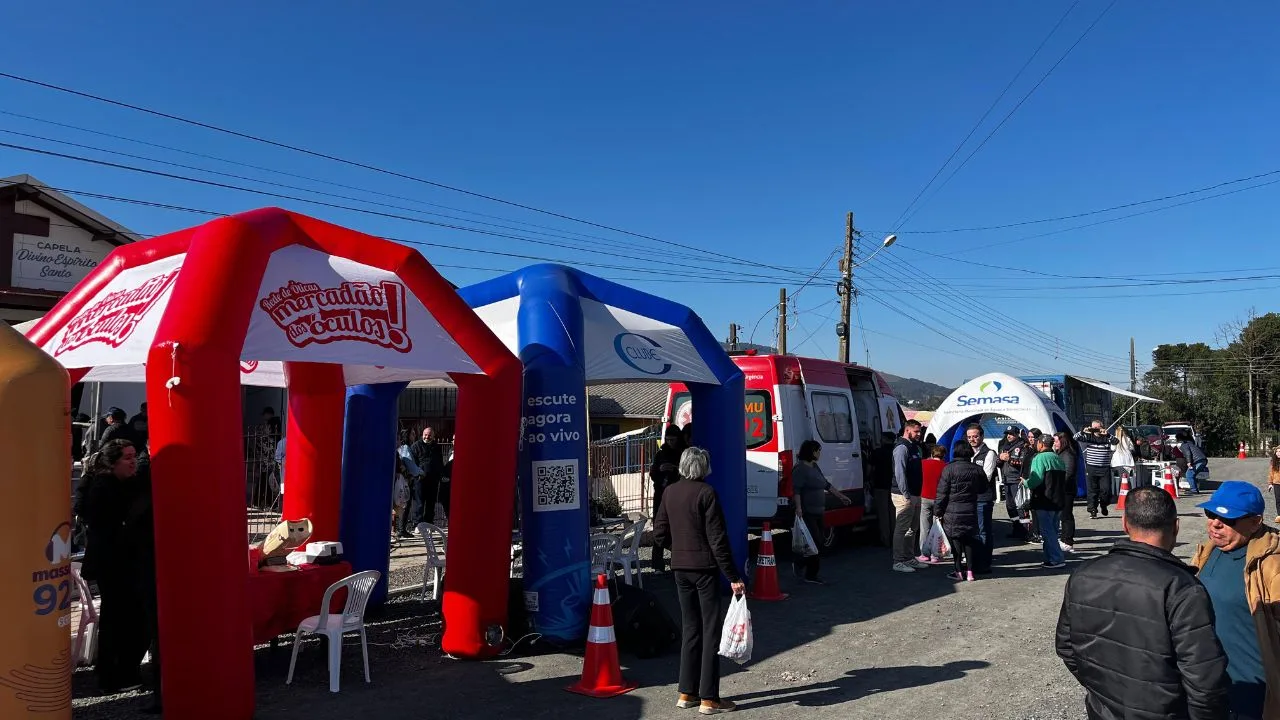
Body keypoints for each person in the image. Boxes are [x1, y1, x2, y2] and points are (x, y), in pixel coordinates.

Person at [1056, 486, 1229, 719]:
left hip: (1102, 709)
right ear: (1176, 526)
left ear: (1124, 524)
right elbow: (1204, 679)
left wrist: (1101, 691)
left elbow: (1066, 646)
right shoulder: (1182, 587)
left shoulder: (1083, 574)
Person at [651, 447, 745, 715]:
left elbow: (659, 534)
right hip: (704, 569)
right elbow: (717, 539)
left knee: (690, 629)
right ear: (704, 467)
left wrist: (678, 549)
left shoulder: (669, 492)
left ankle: (686, 692)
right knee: (710, 631)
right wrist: (733, 576)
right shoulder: (707, 493)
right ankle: (709, 698)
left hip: (680, 568)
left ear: (682, 465)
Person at [1190, 482, 1280, 719]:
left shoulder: (1273, 563)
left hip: (1254, 693)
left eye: (1227, 518)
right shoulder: (1208, 551)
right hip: (1209, 687)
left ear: (1255, 522)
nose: (1215, 524)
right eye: (1211, 514)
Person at [75, 440, 156, 694]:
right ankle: (116, 675)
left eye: (134, 456)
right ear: (112, 463)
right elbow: (110, 528)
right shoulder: (103, 488)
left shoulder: (124, 484)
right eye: (127, 458)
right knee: (121, 620)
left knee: (125, 618)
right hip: (115, 565)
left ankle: (120, 671)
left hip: (123, 563)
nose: (133, 462)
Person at [791, 440, 852, 584]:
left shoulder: (814, 467)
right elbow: (797, 490)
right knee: (816, 542)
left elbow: (826, 484)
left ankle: (802, 564)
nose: (819, 453)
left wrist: (841, 496)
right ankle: (809, 572)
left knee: (818, 542)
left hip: (819, 511)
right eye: (817, 451)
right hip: (808, 511)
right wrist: (798, 508)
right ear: (811, 452)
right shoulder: (800, 469)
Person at [934, 443, 987, 582]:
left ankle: (958, 572)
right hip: (970, 509)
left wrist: (938, 510)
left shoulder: (948, 469)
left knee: (956, 541)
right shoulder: (977, 469)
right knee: (969, 541)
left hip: (952, 511)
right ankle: (970, 572)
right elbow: (983, 488)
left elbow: (942, 493)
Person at [1024, 434, 1068, 569]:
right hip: (1058, 499)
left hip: (1044, 499)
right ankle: (1049, 558)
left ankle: (1056, 559)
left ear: (1041, 444)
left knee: (1047, 532)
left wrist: (1026, 483)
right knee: (1053, 530)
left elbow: (1035, 480)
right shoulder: (1057, 458)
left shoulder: (1039, 458)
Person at [649, 425, 686, 572]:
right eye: (668, 440)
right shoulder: (661, 454)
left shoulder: (683, 453)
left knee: (677, 529)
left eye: (673, 440)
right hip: (660, 494)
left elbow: (686, 473)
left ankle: (677, 562)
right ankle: (657, 564)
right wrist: (660, 470)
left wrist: (675, 469)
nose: (670, 443)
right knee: (659, 528)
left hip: (677, 495)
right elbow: (653, 474)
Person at [891, 420, 926, 573]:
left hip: (915, 494)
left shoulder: (914, 447)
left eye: (920, 431)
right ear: (907, 430)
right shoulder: (901, 448)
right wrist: (906, 494)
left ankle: (909, 557)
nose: (919, 434)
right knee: (902, 528)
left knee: (912, 528)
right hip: (904, 495)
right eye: (916, 431)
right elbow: (899, 473)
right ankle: (898, 561)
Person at [965, 424, 997, 574]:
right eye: (969, 437)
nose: (972, 439)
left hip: (983, 498)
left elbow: (986, 477)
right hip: (969, 498)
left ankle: (984, 563)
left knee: (983, 531)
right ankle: (974, 561)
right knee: (972, 531)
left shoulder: (989, 453)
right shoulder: (966, 453)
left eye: (975, 436)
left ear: (982, 436)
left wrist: (966, 482)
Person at [1076, 421, 1119, 519]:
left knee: (1106, 490)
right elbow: (1075, 437)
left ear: (1102, 427)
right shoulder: (1088, 437)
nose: (1095, 430)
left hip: (1104, 468)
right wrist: (1083, 431)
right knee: (1092, 490)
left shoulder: (1107, 437)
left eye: (1097, 428)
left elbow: (1116, 441)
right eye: (1093, 428)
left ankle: (1104, 505)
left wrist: (1107, 434)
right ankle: (1092, 510)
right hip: (1091, 467)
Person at [997, 426, 1031, 540]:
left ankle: (1026, 532)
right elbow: (998, 463)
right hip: (1006, 479)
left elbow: (1023, 463)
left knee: (1020, 506)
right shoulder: (1004, 446)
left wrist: (1009, 459)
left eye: (1011, 434)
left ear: (1017, 434)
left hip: (1017, 479)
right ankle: (1016, 529)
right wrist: (1000, 459)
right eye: (1007, 434)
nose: (1009, 436)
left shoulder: (1023, 446)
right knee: (1010, 506)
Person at [917, 444, 948, 565]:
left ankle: (924, 553)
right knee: (938, 527)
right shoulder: (945, 466)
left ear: (932, 454)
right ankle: (936, 554)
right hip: (939, 499)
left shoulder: (923, 463)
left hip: (924, 496)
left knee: (925, 526)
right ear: (943, 455)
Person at [410, 427, 445, 527]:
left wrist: (440, 475)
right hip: (420, 479)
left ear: (433, 436)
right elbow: (412, 463)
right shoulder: (416, 446)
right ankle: (418, 524)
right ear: (422, 434)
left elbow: (440, 462)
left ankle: (429, 523)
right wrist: (416, 474)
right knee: (419, 502)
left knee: (431, 502)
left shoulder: (437, 447)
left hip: (433, 480)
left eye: (429, 435)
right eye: (425, 434)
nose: (427, 437)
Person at [1054, 431, 1079, 553]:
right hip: (1062, 488)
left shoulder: (1068, 454)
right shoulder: (1060, 453)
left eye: (1056, 441)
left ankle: (1068, 541)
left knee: (1066, 515)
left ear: (1062, 441)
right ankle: (1064, 538)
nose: (1054, 443)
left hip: (1067, 489)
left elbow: (1069, 472)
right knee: (1063, 515)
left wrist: (1059, 484)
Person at [395, 429, 423, 538]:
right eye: (412, 434)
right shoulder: (406, 448)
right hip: (406, 479)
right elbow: (410, 465)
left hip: (403, 478)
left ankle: (400, 528)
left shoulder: (403, 448)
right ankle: (401, 528)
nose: (414, 436)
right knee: (405, 504)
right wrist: (420, 472)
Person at [871, 433, 896, 547]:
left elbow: (870, 469)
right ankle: (895, 538)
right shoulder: (896, 452)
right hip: (894, 486)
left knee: (883, 514)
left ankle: (885, 539)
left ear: (885, 440)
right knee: (893, 513)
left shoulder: (877, 452)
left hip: (880, 486)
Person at [1180, 431, 1209, 496]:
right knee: (1193, 474)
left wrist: (1189, 462)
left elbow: (1188, 453)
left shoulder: (1184, 445)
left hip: (1198, 461)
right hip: (1202, 460)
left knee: (1189, 474)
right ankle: (1195, 489)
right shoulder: (1191, 443)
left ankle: (1193, 490)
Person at [1111, 426, 1136, 498]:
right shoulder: (1128, 439)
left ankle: (1117, 492)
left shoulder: (1114, 439)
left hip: (1117, 462)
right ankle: (1129, 491)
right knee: (1128, 477)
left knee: (1118, 477)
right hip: (1128, 461)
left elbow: (1112, 448)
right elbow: (1132, 448)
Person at [1270, 446, 1280, 523]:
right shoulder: (1273, 462)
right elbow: (1271, 473)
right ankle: (1279, 515)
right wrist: (1270, 483)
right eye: (1277, 452)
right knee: (1278, 500)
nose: (1278, 453)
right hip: (1276, 483)